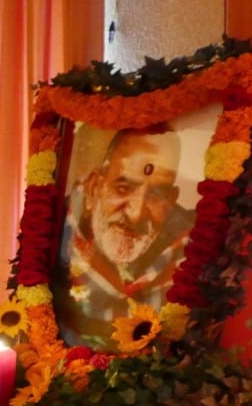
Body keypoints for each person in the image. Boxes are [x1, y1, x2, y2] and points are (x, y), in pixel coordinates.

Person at [53, 127, 192, 348]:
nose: (136, 214)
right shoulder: (53, 227)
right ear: (94, 187)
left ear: (171, 201)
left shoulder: (194, 248)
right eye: (123, 188)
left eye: (156, 195)